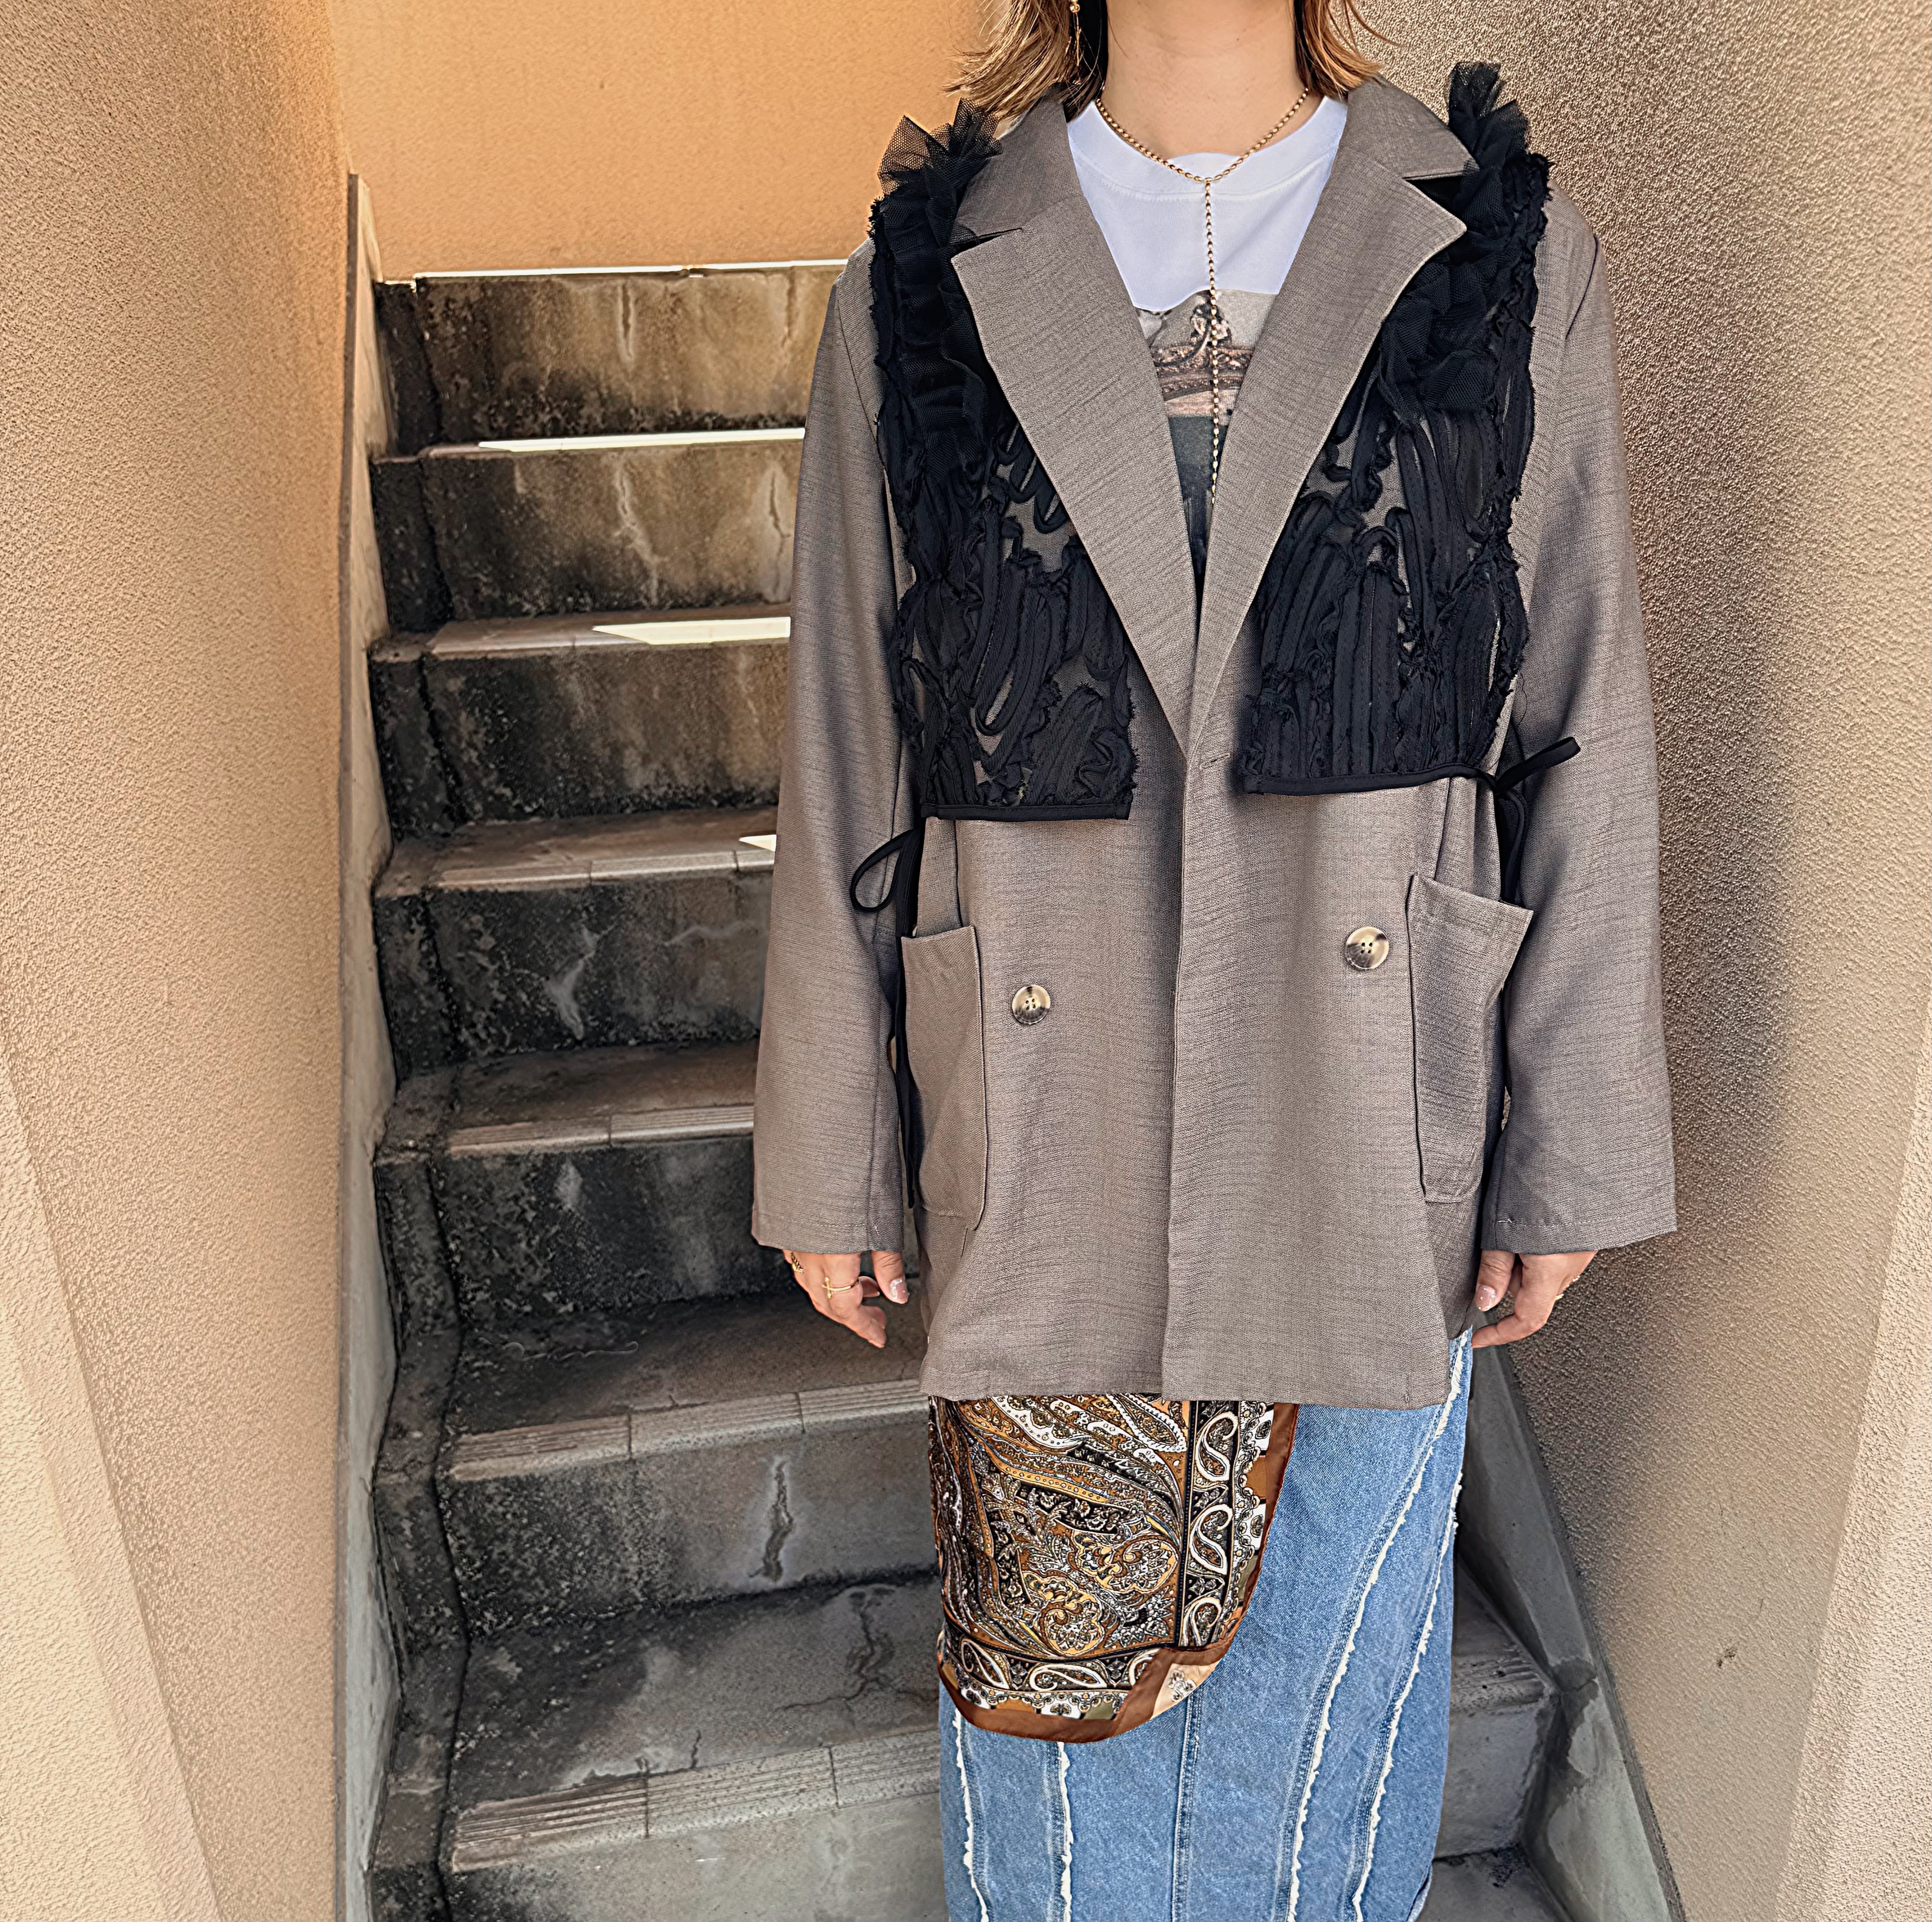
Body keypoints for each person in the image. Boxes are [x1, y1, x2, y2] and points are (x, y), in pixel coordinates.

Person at [750, 0, 1675, 1913]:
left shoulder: (1492, 243)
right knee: (1056, 1715)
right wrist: (831, 1144)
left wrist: (1570, 1139)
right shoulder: (922, 277)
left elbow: (1577, 700)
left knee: (1324, 1708)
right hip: (1044, 1091)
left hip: (1368, 1097)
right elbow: (851, 727)